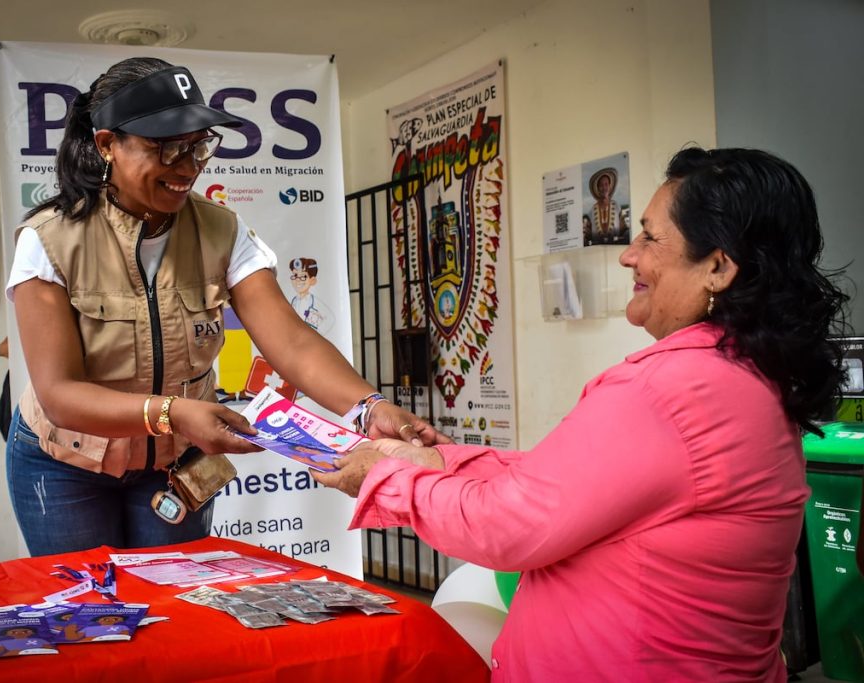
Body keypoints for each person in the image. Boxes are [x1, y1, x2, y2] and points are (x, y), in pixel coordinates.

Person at [315, 147, 848, 681]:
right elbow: (561, 483)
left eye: (650, 237)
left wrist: (384, 478)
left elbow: (510, 523)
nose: (627, 255)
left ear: (717, 266)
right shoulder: (742, 375)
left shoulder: (672, 389)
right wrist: (434, 459)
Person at [5, 57, 446, 556]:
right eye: (167, 147)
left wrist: (369, 408)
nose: (188, 166)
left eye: (198, 147)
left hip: (174, 469)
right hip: (66, 463)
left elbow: (293, 342)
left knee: (174, 612)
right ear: (108, 144)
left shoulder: (223, 232)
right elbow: (60, 394)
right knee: (92, 615)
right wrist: (173, 413)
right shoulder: (49, 240)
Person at [588, 167, 624, 244]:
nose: (604, 187)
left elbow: (623, 230)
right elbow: (589, 235)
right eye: (601, 185)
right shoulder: (592, 211)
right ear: (597, 188)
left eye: (606, 184)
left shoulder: (617, 206)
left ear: (609, 186)